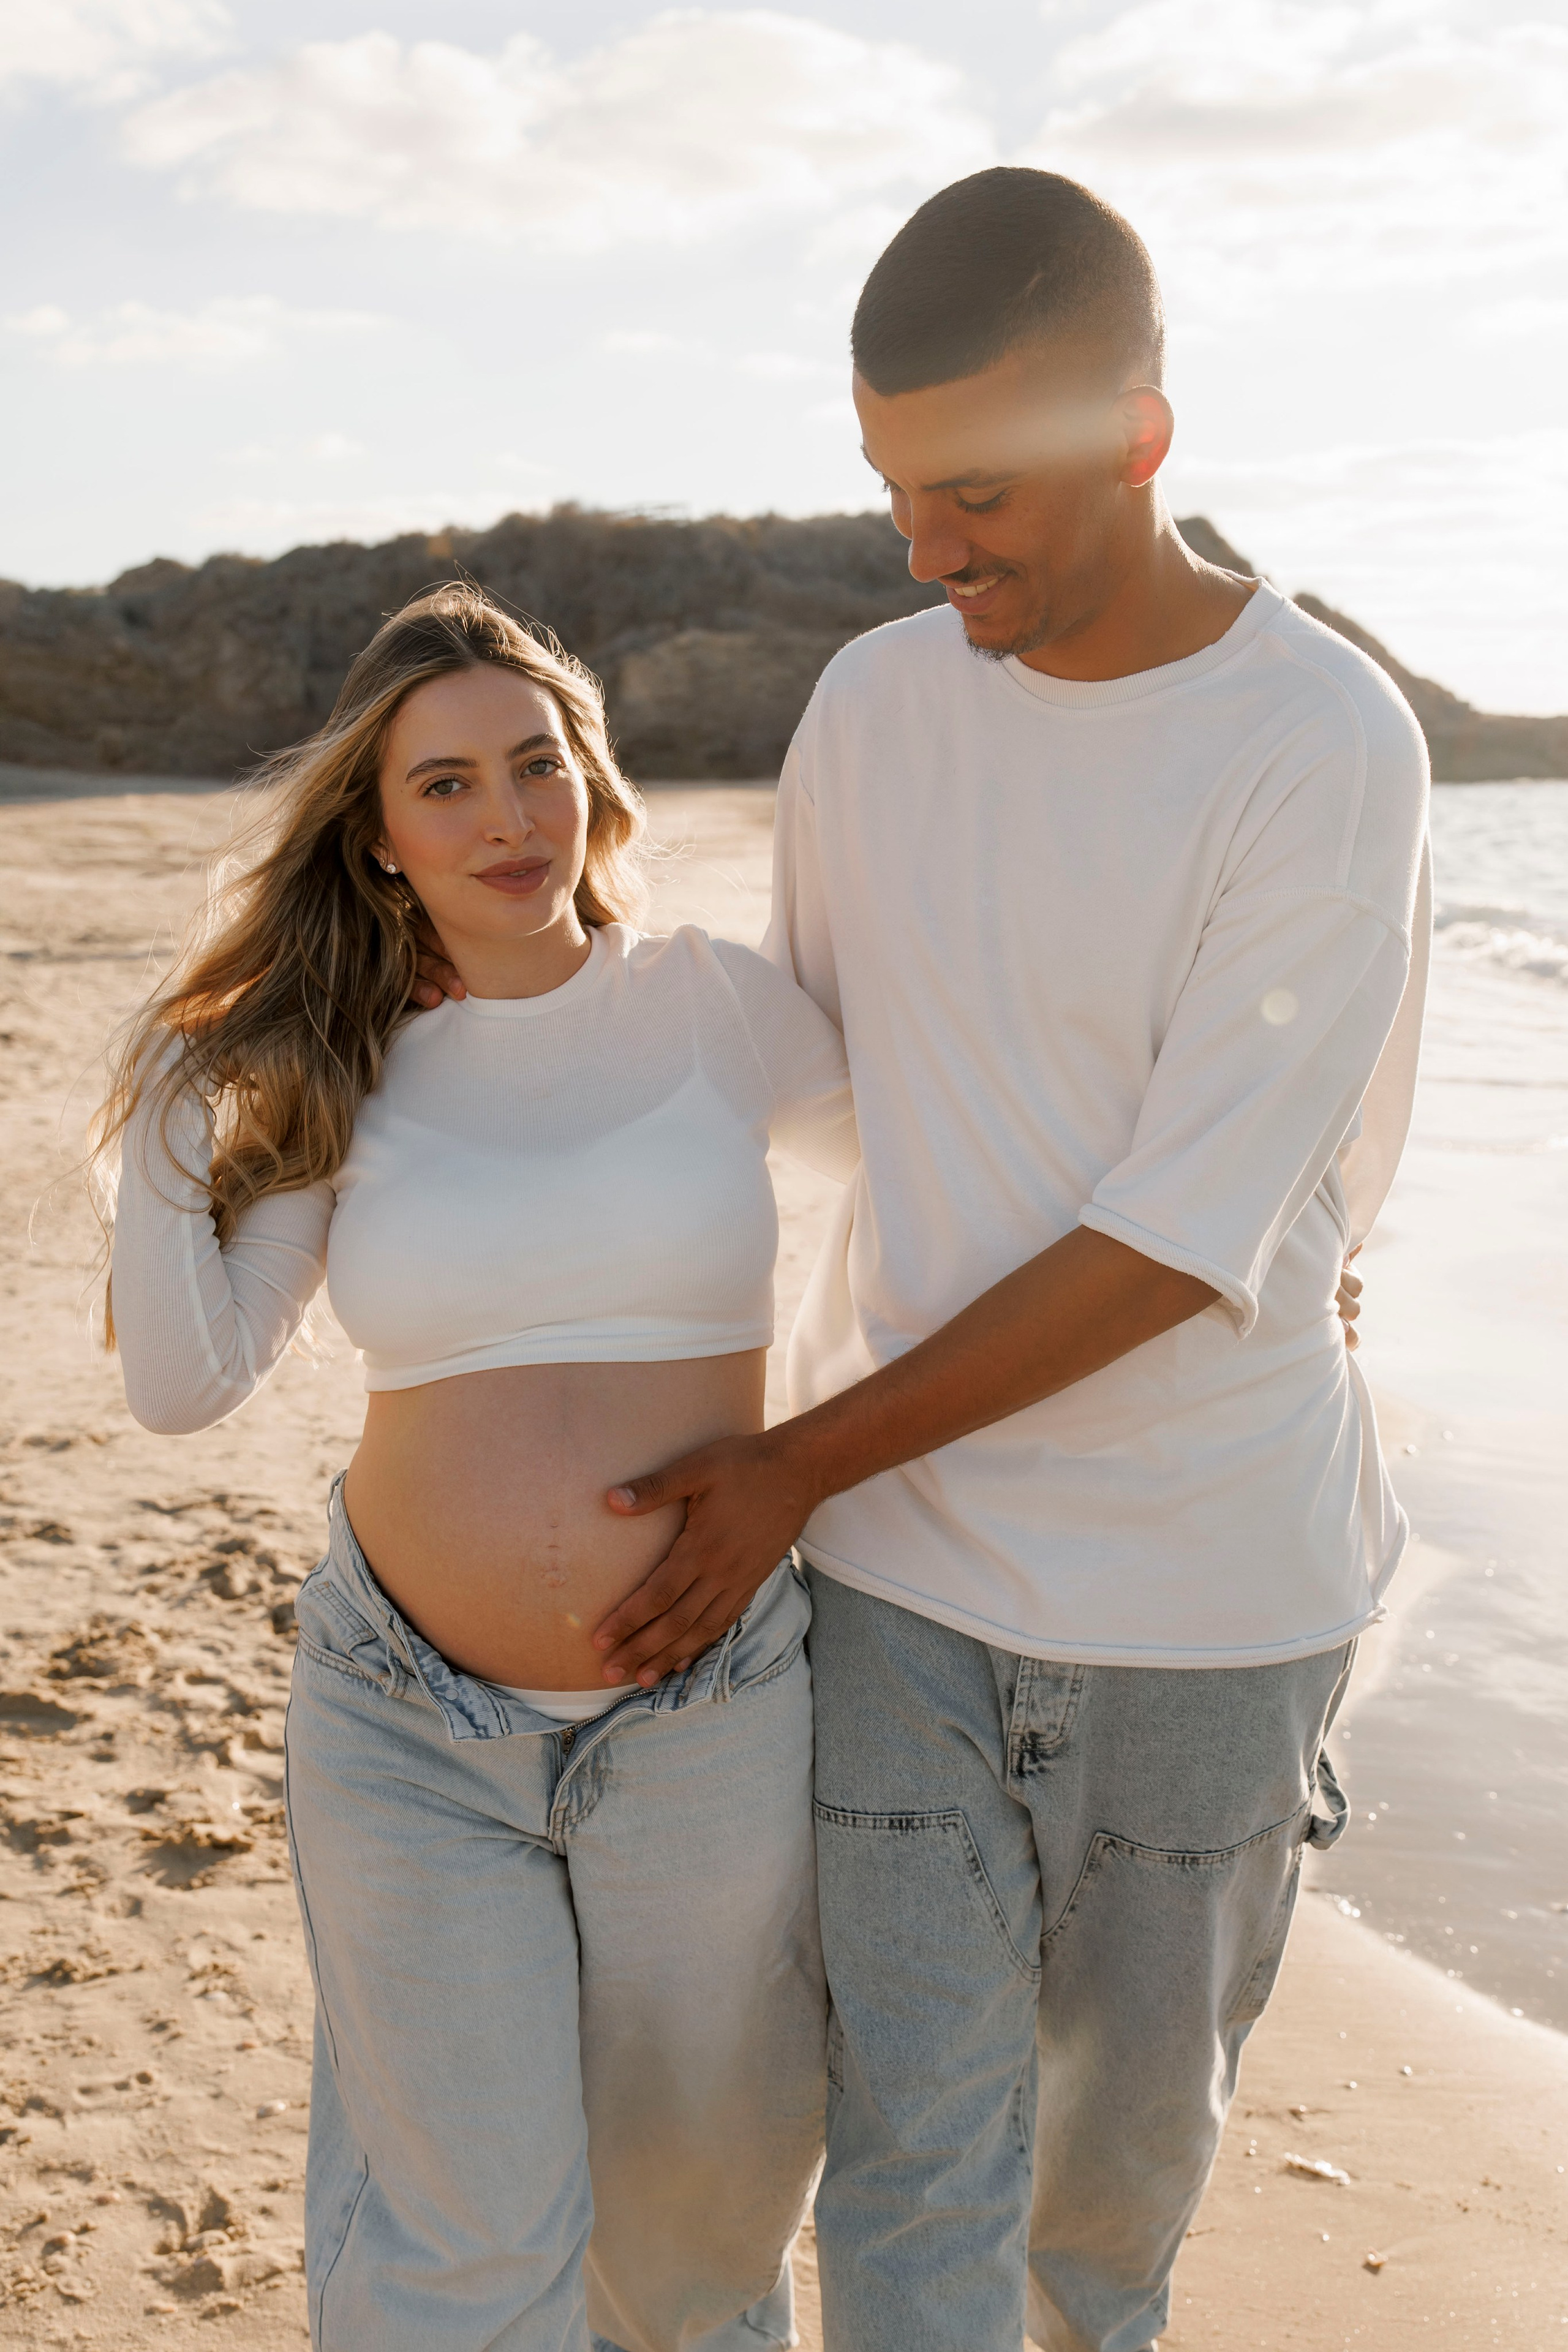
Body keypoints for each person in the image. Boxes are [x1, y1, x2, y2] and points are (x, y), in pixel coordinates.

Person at [584, 170, 1431, 2351]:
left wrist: (792, 1457)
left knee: (1103, 2228)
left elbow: (1172, 1239)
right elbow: (810, 1071)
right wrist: (483, 1010)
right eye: (892, 498)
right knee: (910, 2170)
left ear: (1139, 439)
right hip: (906, 1580)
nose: (926, 553)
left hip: (1210, 1611)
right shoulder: (874, 705)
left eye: (970, 494)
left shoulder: (1323, 739)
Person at [92, 586, 857, 2351]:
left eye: (536, 765)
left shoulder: (718, 1005)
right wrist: (163, 1100)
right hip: (402, 1720)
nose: (508, 818)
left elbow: (937, 1194)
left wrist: (1266, 1250)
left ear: (593, 782)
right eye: (446, 786)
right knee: (467, 2257)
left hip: (713, 1710)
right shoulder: (347, 1067)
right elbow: (191, 1388)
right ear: (375, 836)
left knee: (691, 2258)